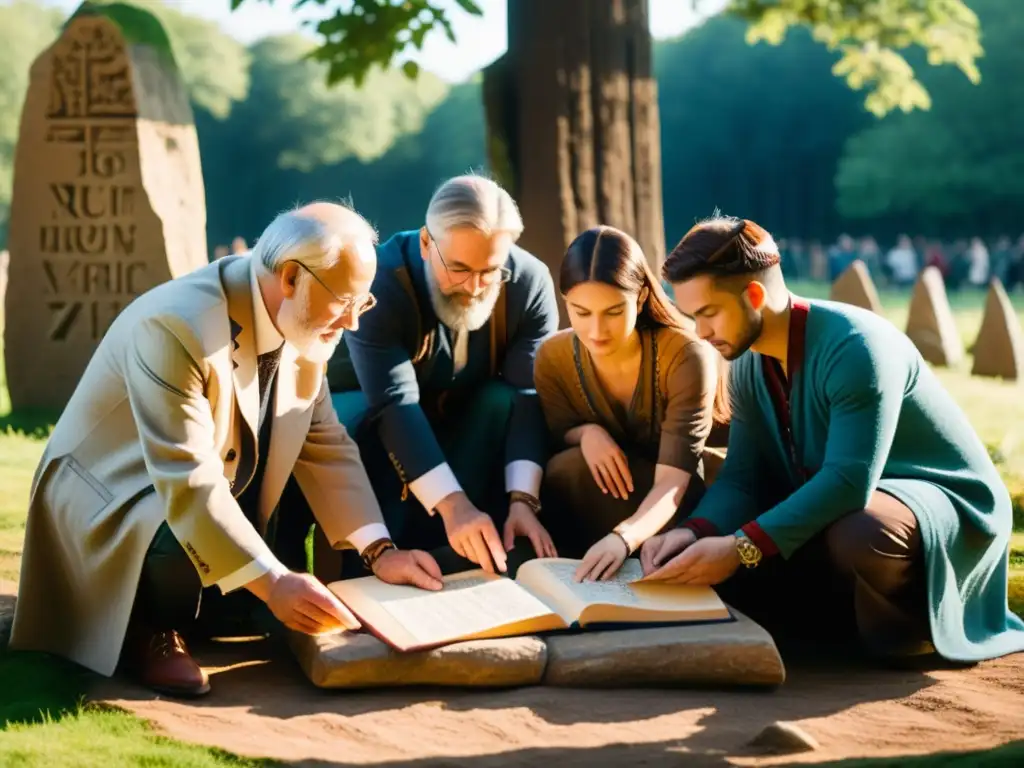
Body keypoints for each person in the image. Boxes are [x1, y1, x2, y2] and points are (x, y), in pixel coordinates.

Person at [10, 202, 443, 698]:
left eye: (362, 304)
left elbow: (324, 442)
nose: (353, 325)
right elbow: (187, 479)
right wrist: (275, 582)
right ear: (289, 277)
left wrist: (379, 551)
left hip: (215, 483)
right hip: (116, 498)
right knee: (174, 522)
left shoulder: (305, 316)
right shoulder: (176, 325)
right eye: (346, 302)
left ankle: (231, 598)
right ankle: (148, 631)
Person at [641, 214, 1024, 663]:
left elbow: (847, 481)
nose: (702, 335)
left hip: (944, 509)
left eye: (708, 314)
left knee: (859, 531)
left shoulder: (856, 346)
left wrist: (740, 548)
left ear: (755, 295)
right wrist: (693, 531)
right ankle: (830, 625)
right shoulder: (747, 362)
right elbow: (742, 479)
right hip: (842, 502)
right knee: (728, 527)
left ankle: (906, 635)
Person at [327, 175, 560, 576]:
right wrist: (454, 506)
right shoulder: (379, 281)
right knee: (361, 413)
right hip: (364, 415)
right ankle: (368, 561)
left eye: (490, 270)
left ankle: (472, 549)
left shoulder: (528, 283)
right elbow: (393, 402)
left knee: (501, 400)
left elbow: (527, 393)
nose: (473, 287)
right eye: (458, 269)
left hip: (459, 415)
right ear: (424, 243)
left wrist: (524, 499)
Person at [533, 226, 729, 582]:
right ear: (565, 303)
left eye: (612, 311)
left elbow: (673, 482)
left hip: (675, 504)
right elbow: (554, 435)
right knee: (566, 468)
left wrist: (623, 538)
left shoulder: (685, 356)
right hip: (596, 505)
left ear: (639, 299)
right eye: (581, 312)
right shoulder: (552, 357)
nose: (596, 330)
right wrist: (586, 433)